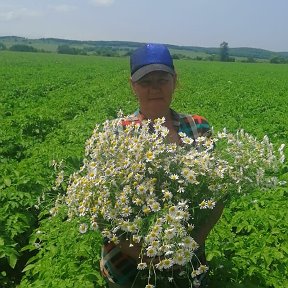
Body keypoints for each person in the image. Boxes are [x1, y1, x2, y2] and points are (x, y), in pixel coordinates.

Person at [100, 43, 224, 288]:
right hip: (127, 268)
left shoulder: (198, 127)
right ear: (132, 85)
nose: (154, 88)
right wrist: (142, 254)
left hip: (186, 261)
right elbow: (100, 208)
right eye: (145, 81)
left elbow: (219, 191)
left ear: (174, 81)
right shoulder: (116, 133)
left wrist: (195, 240)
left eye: (162, 79)